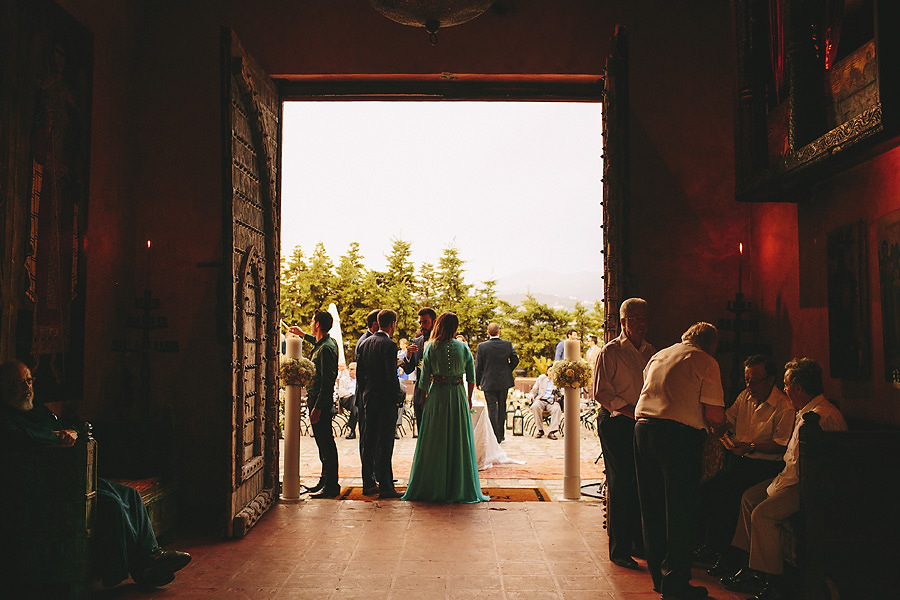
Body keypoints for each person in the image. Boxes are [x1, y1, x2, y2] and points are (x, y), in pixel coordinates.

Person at [0, 360, 191, 589]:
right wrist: (57, 437)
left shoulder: (38, 410)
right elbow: (26, 438)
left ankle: (150, 555)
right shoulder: (6, 418)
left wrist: (68, 432)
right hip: (48, 488)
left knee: (130, 495)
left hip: (74, 477)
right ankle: (139, 566)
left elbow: (73, 429)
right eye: (19, 383)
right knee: (112, 504)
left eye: (29, 381)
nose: (27, 388)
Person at [722, 358, 847, 600]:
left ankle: (774, 582)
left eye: (787, 384)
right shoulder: (806, 412)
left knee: (762, 514)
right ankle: (752, 569)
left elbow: (808, 470)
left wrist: (777, 489)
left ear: (799, 388)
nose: (785, 389)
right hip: (791, 478)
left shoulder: (821, 417)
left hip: (807, 486)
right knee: (749, 498)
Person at [634, 322, 726, 599]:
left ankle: (658, 580)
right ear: (710, 344)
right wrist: (723, 433)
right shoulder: (706, 361)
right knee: (681, 509)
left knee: (652, 506)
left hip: (642, 429)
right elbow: (714, 415)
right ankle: (676, 584)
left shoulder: (660, 355)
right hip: (677, 436)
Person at [699, 355, 793, 575]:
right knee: (709, 489)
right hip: (740, 460)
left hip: (763, 466)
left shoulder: (784, 406)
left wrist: (751, 446)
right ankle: (711, 549)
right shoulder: (745, 397)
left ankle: (729, 558)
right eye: (747, 379)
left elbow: (781, 446)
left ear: (770, 381)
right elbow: (728, 419)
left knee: (730, 495)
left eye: (754, 380)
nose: (749, 385)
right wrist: (720, 428)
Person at [592, 297, 655, 570]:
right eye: (635, 318)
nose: (641, 323)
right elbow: (600, 392)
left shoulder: (651, 351)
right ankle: (619, 549)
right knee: (621, 483)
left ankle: (640, 543)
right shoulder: (611, 352)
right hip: (616, 423)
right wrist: (629, 409)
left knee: (642, 482)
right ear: (623, 322)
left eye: (644, 318)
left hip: (642, 422)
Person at [402, 312, 489, 503]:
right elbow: (472, 377)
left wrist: (424, 402)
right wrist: (467, 399)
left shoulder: (431, 347)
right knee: (458, 440)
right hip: (457, 395)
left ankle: (432, 485)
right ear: (455, 328)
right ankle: (459, 486)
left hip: (437, 397)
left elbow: (423, 380)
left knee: (435, 441)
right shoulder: (463, 347)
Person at [356, 309, 406, 498]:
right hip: (385, 399)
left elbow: (360, 373)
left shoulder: (364, 343)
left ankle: (368, 483)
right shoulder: (389, 345)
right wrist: (397, 396)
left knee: (369, 441)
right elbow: (390, 375)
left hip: (369, 397)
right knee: (385, 442)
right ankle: (386, 485)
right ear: (392, 323)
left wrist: (365, 393)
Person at [290, 310, 340, 498]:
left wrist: (318, 407)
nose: (311, 323)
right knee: (322, 443)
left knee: (326, 443)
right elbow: (316, 342)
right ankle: (325, 480)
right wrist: (303, 335)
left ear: (317, 324)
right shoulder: (326, 343)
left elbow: (328, 380)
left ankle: (331, 485)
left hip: (320, 400)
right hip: (318, 399)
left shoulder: (326, 348)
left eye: (312, 321)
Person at [475, 322, 519, 444]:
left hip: (488, 381)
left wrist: (477, 381)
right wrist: (507, 370)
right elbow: (515, 360)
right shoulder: (507, 344)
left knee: (492, 408)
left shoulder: (482, 347)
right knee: (502, 407)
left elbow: (478, 366)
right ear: (499, 332)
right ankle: (501, 434)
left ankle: (494, 436)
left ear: (488, 333)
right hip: (504, 381)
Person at [354, 309, 380, 485]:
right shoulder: (365, 342)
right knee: (367, 439)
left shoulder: (367, 340)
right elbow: (362, 374)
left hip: (368, 396)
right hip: (366, 398)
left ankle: (374, 474)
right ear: (375, 324)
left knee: (372, 439)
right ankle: (369, 477)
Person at [400, 307, 437, 429]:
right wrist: (408, 356)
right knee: (422, 429)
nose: (422, 326)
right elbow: (409, 369)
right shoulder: (417, 341)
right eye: (420, 322)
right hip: (420, 393)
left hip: (438, 393)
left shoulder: (442, 342)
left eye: (425, 322)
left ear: (434, 322)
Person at [527, 364, 562, 440]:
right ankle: (540, 430)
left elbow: (562, 393)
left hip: (552, 400)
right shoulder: (541, 379)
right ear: (547, 371)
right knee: (535, 406)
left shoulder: (558, 381)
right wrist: (531, 396)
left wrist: (558, 396)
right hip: (541, 399)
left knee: (557, 409)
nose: (551, 373)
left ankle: (552, 431)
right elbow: (534, 390)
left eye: (553, 371)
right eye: (550, 370)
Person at [337, 362, 358, 439]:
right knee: (354, 398)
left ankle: (352, 430)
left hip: (356, 403)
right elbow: (341, 392)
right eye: (349, 369)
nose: (349, 371)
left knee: (355, 405)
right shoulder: (344, 379)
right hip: (346, 400)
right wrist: (351, 394)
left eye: (352, 369)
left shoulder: (361, 380)